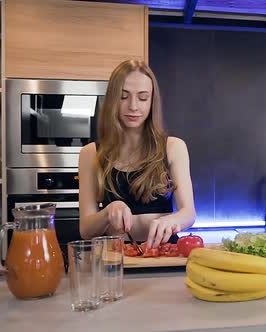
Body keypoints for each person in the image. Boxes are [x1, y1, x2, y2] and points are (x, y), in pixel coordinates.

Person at [78, 59, 196, 248]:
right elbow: (85, 229)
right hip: (115, 258)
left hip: (163, 254)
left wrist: (171, 221)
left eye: (142, 98)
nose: (133, 106)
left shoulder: (174, 147)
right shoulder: (90, 153)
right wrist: (108, 212)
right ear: (112, 100)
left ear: (152, 101)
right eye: (123, 97)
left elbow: (188, 213)